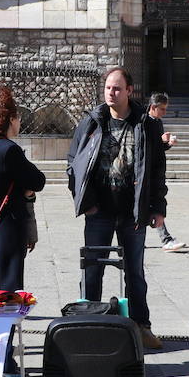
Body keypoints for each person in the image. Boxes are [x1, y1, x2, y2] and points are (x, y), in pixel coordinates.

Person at [66, 67, 168, 350]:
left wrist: (158, 207)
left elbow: (158, 169)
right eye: (108, 88)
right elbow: (73, 163)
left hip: (132, 210)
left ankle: (141, 326)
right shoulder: (92, 122)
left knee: (134, 271)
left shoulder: (147, 124)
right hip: (99, 210)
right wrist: (84, 202)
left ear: (129, 91)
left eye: (117, 89)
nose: (111, 93)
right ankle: (88, 325)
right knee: (92, 269)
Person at [0, 87, 46, 294]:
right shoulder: (8, 150)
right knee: (6, 292)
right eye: (17, 117)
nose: (19, 122)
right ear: (9, 120)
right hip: (7, 230)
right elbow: (38, 180)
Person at [147, 92, 186, 251]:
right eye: (162, 109)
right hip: (147, 172)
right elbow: (145, 146)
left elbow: (157, 148)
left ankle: (130, 240)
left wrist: (168, 143)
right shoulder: (144, 122)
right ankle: (166, 239)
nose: (164, 112)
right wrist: (160, 140)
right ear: (153, 107)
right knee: (153, 206)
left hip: (155, 171)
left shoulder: (158, 122)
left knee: (148, 206)